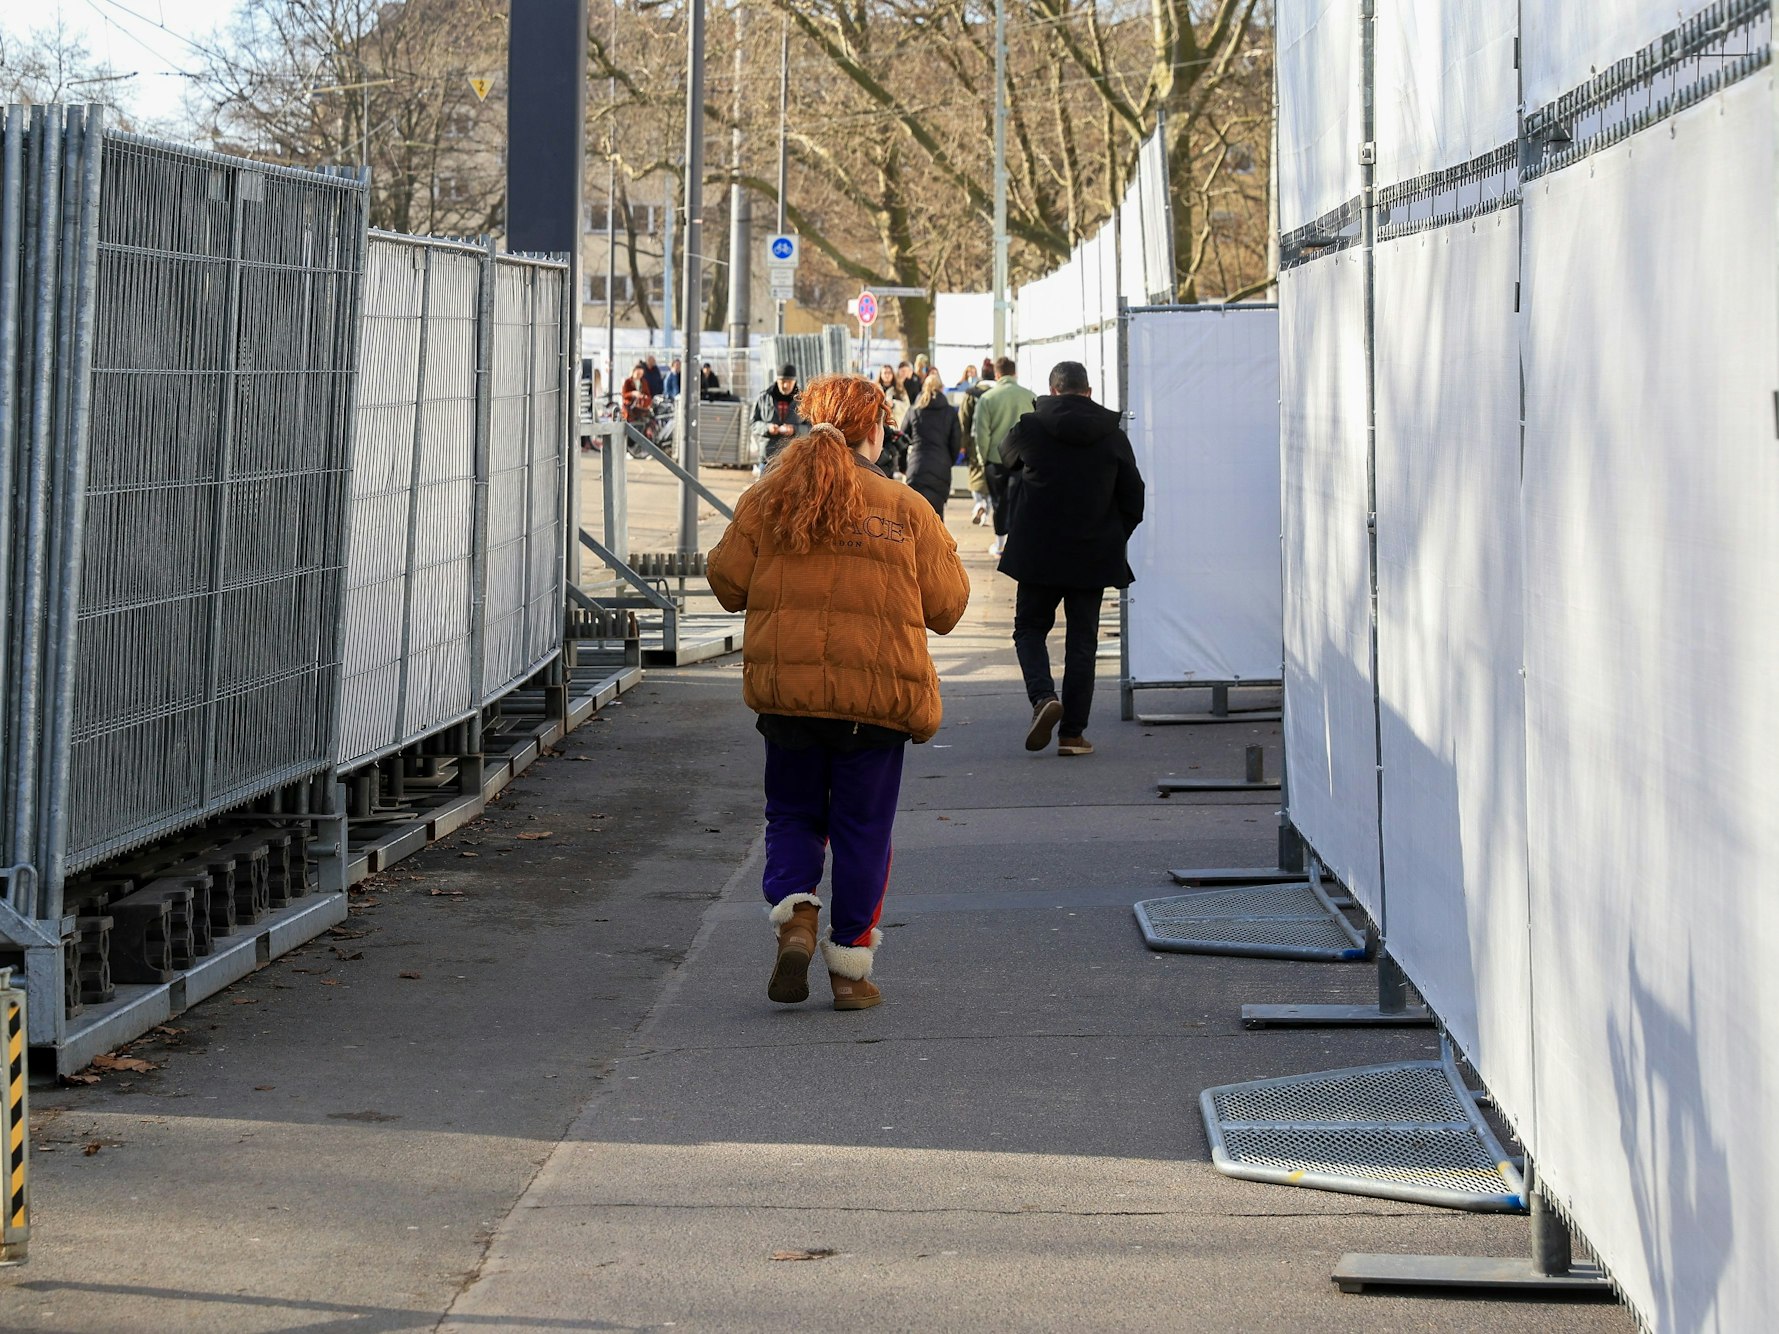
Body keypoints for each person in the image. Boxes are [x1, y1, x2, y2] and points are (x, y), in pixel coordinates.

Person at [707, 374, 971, 1011]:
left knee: (793, 815)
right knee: (863, 831)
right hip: (875, 705)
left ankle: (797, 915)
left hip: (788, 694)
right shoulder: (905, 507)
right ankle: (850, 971)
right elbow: (949, 606)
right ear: (874, 431)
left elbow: (725, 582)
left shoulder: (768, 497)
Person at [997, 360, 1145, 758]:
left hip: (1038, 554)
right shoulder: (1112, 434)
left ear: (1053, 390)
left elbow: (1004, 457)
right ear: (1089, 392)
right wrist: (1112, 535)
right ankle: (1072, 736)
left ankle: (1044, 697)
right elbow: (1135, 497)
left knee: (1029, 629)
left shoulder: (1031, 426)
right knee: (1082, 644)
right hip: (1091, 556)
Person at [971, 355, 1036, 556]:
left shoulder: (987, 398)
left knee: (999, 502)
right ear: (1015, 373)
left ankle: (1000, 543)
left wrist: (983, 458)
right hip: (1023, 458)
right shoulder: (1030, 395)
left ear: (997, 374)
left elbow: (981, 434)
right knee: (1019, 501)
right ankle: (1018, 543)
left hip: (995, 458)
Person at [901, 370, 961, 517]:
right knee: (936, 518)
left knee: (914, 517)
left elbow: (901, 438)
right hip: (941, 469)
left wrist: (903, 465)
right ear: (941, 388)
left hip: (916, 468)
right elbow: (956, 443)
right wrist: (948, 461)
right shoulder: (950, 412)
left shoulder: (914, 411)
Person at [750, 362, 810, 464]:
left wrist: (795, 429)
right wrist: (767, 428)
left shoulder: (804, 401)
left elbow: (811, 427)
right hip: (768, 458)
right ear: (777, 380)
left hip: (795, 459)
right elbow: (753, 424)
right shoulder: (764, 398)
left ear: (794, 381)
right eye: (782, 381)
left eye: (789, 381)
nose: (785, 385)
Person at [957, 361, 993, 524]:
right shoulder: (1000, 393)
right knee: (993, 478)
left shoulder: (972, 393)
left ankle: (980, 502)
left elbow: (963, 420)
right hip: (997, 442)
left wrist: (963, 444)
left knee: (976, 475)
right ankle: (986, 512)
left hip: (974, 440)